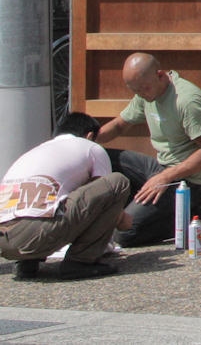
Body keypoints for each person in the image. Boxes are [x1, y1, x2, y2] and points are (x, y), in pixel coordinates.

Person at [93, 53, 201, 248]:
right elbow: (119, 125)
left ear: (160, 75)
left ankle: (196, 216)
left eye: (144, 89)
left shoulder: (187, 100)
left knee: (125, 233)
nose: (141, 94)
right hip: (160, 168)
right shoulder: (145, 93)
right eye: (135, 90)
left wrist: (165, 177)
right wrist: (83, 143)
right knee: (99, 156)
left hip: (191, 181)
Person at [1, 112, 132, 279]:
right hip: (37, 234)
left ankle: (27, 263)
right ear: (90, 135)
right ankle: (81, 261)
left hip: (4, 242)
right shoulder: (91, 147)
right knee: (117, 182)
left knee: (45, 201)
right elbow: (105, 198)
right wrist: (124, 219)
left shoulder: (34, 152)